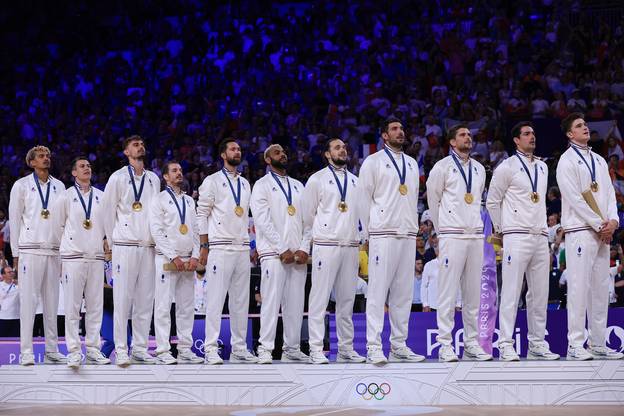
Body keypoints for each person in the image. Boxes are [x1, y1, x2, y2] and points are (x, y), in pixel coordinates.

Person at [486, 122, 560, 361]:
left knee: (540, 293)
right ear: (516, 140)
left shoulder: (541, 166)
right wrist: (501, 231)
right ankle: (505, 343)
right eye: (527, 134)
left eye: (534, 133)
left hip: (539, 236)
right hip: (515, 235)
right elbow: (492, 202)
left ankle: (537, 343)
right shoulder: (506, 167)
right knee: (511, 292)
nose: (532, 137)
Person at [555, 113, 623, 360]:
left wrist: (614, 221)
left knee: (600, 289)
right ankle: (574, 344)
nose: (585, 128)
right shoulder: (566, 161)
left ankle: (597, 343)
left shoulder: (599, 160)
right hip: (580, 231)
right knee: (578, 288)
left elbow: (609, 194)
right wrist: (599, 225)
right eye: (579, 126)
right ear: (569, 134)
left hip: (602, 233)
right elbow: (574, 198)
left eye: (585, 124)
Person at [358, 116, 424, 364]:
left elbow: (412, 197)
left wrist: (413, 227)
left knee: (403, 293)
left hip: (406, 233)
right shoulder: (372, 162)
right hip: (382, 234)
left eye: (402, 128)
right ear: (384, 135)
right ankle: (374, 346)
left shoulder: (411, 163)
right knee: (377, 292)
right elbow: (363, 198)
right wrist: (368, 232)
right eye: (394, 129)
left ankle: (399, 345)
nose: (400, 132)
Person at [426, 124, 492, 362]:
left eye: (470, 135)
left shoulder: (479, 169)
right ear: (452, 142)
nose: (468, 138)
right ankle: (445, 345)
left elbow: (477, 201)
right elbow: (433, 200)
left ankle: (472, 343)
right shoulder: (441, 167)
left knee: (473, 293)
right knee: (447, 293)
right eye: (463, 135)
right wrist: (442, 229)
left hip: (475, 235)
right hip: (452, 234)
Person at [301, 138, 366, 364]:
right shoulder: (316, 179)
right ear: (327, 154)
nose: (343, 150)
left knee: (347, 300)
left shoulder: (357, 181)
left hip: (350, 246)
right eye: (337, 147)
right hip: (326, 245)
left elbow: (362, 213)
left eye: (344, 147)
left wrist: (361, 237)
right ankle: (316, 349)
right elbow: (307, 214)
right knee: (319, 299)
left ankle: (346, 348)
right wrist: (321, 234)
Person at [197, 138, 258, 364]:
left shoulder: (245, 184)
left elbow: (245, 217)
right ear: (223, 154)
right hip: (220, 246)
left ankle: (239, 348)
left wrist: (252, 244)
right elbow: (201, 214)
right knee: (215, 299)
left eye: (239, 148)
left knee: (241, 301)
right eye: (233, 149)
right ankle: (210, 348)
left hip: (242, 247)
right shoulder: (211, 181)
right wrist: (204, 246)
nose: (237, 151)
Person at [250, 144, 311, 364]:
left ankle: (292, 348)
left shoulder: (298, 186)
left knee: (295, 304)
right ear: (267, 159)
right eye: (276, 152)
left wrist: (305, 247)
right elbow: (262, 220)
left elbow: (308, 220)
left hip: (297, 255)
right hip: (274, 254)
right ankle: (265, 348)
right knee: (271, 302)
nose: (283, 154)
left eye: (284, 151)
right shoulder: (261, 185)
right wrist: (281, 248)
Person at [102, 135, 160, 366]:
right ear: (126, 152)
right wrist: (111, 241)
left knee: (145, 301)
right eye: (135, 145)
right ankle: (121, 348)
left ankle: (140, 348)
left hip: (148, 246)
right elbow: (107, 211)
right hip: (124, 245)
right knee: (123, 300)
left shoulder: (154, 179)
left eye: (142, 144)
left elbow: (157, 213)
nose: (141, 147)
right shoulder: (117, 178)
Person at [9, 145, 67, 366]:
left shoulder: (59, 186)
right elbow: (14, 221)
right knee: (28, 303)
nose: (46, 159)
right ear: (31, 162)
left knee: (52, 303)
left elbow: (64, 220)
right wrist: (15, 253)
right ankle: (26, 352)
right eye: (41, 156)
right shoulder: (21, 186)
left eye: (48, 156)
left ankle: (52, 350)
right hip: (29, 250)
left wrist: (64, 250)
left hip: (53, 250)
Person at [52, 157, 111, 367]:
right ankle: (74, 351)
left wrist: (105, 242)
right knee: (72, 306)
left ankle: (94, 349)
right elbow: (57, 227)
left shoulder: (102, 197)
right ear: (74, 173)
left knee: (96, 306)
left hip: (96, 257)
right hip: (73, 257)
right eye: (82, 166)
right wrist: (65, 249)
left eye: (89, 166)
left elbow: (107, 226)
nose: (87, 168)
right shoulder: (65, 197)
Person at [149, 161, 204, 365]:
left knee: (186, 307)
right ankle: (163, 350)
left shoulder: (190, 201)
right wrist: (173, 256)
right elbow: (157, 231)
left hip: (188, 259)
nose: (179, 173)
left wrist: (197, 255)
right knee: (163, 306)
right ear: (165, 177)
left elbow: (196, 230)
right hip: (167, 259)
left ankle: (184, 349)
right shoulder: (159, 200)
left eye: (180, 170)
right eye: (174, 171)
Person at [0, 265, 19, 337]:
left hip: (16, 317)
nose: (12, 273)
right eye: (9, 272)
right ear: (3, 275)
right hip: (2, 317)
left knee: (15, 341)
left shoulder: (18, 285)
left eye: (12, 272)